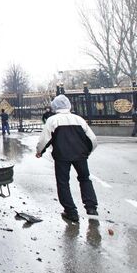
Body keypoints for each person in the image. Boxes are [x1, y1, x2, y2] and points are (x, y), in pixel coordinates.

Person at [35, 95, 98, 223]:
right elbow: (93, 139)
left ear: (54, 106)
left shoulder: (52, 120)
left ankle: (71, 211)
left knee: (63, 182)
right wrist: (87, 152)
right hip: (80, 155)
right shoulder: (79, 119)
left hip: (61, 156)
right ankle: (91, 207)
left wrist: (39, 151)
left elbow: (44, 139)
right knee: (85, 178)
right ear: (69, 105)